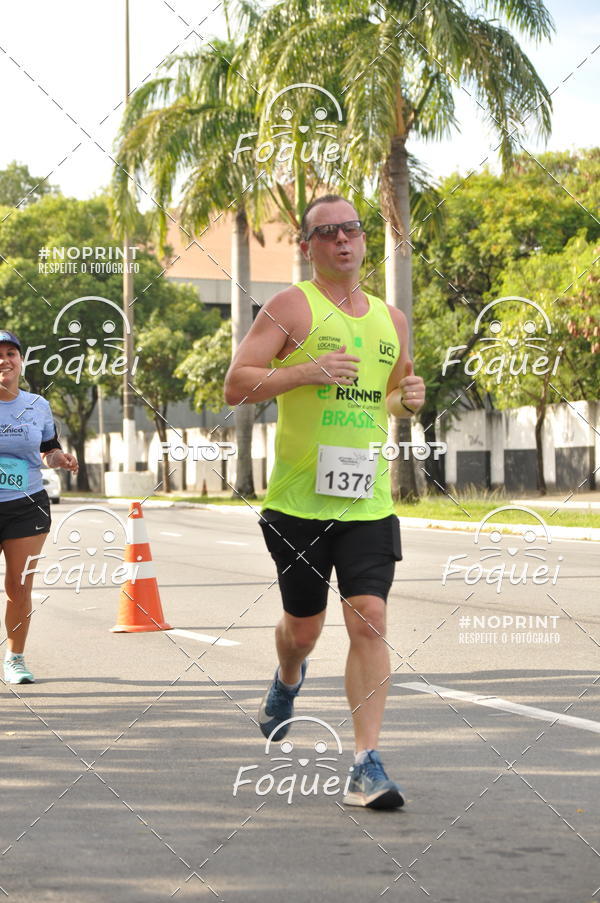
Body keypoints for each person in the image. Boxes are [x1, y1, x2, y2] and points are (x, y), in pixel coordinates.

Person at [224, 195, 425, 809]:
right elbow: (237, 384)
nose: (344, 240)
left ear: (366, 242)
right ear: (308, 246)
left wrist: (407, 400)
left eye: (353, 230)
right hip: (297, 504)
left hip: (367, 501)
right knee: (304, 630)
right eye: (328, 232)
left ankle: (365, 764)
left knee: (370, 616)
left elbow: (389, 395)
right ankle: (288, 678)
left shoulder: (392, 321)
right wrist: (301, 371)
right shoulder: (291, 307)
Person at [0, 330, 78, 685]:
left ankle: (14, 657)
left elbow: (48, 450)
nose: (4, 359)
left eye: (11, 353)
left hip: (27, 503)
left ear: (21, 361)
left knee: (19, 585)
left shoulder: (37, 406)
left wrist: (61, 460)